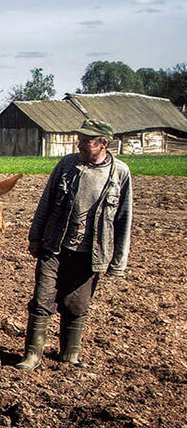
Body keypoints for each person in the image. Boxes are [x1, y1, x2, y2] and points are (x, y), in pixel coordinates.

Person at [16, 119, 132, 371]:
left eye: (86, 141)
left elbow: (124, 218)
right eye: (79, 139)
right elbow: (45, 203)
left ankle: (69, 356)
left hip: (90, 253)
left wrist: (117, 262)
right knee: (42, 299)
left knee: (77, 305)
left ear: (103, 144)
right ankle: (32, 356)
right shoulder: (67, 165)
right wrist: (35, 238)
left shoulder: (119, 173)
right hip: (54, 246)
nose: (79, 144)